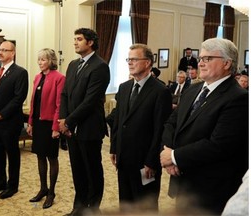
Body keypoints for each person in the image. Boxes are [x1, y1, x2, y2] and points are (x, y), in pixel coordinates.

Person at [160, 38, 248, 215]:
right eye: (200, 58)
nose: (200, 63)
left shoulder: (238, 98)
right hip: (182, 180)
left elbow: (219, 145)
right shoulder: (193, 89)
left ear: (226, 63)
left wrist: (175, 156)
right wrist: (168, 151)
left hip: (210, 188)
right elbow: (172, 123)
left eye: (208, 58)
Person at [110, 44, 172, 213]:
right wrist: (114, 147)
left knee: (145, 204)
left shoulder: (160, 91)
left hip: (145, 162)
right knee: (126, 202)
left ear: (147, 63)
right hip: (124, 158)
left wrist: (151, 161)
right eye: (128, 59)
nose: (130, 63)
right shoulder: (124, 87)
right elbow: (118, 121)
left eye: (134, 59)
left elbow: (160, 130)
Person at [58, 28, 110, 216]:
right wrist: (63, 119)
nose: (75, 42)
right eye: (74, 39)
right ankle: (78, 208)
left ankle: (93, 209)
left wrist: (68, 122)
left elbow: (90, 101)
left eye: (79, 39)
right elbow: (64, 94)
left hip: (89, 128)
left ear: (90, 43)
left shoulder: (100, 66)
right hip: (71, 128)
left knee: (92, 171)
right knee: (78, 171)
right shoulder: (72, 65)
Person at [0, 41, 29, 199]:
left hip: (9, 122)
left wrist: (1, 114)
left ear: (13, 53)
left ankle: (12, 186)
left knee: (12, 154)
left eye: (5, 50)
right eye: (0, 50)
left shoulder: (20, 72)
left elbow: (18, 98)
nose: (0, 53)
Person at [27, 48, 65, 209]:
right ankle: (43, 188)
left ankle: (51, 192)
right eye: (39, 59)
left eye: (43, 59)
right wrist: (30, 122)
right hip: (38, 122)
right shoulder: (37, 77)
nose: (40, 62)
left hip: (50, 124)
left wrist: (56, 127)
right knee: (40, 156)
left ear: (51, 61)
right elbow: (33, 103)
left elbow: (59, 104)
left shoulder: (59, 78)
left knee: (52, 157)